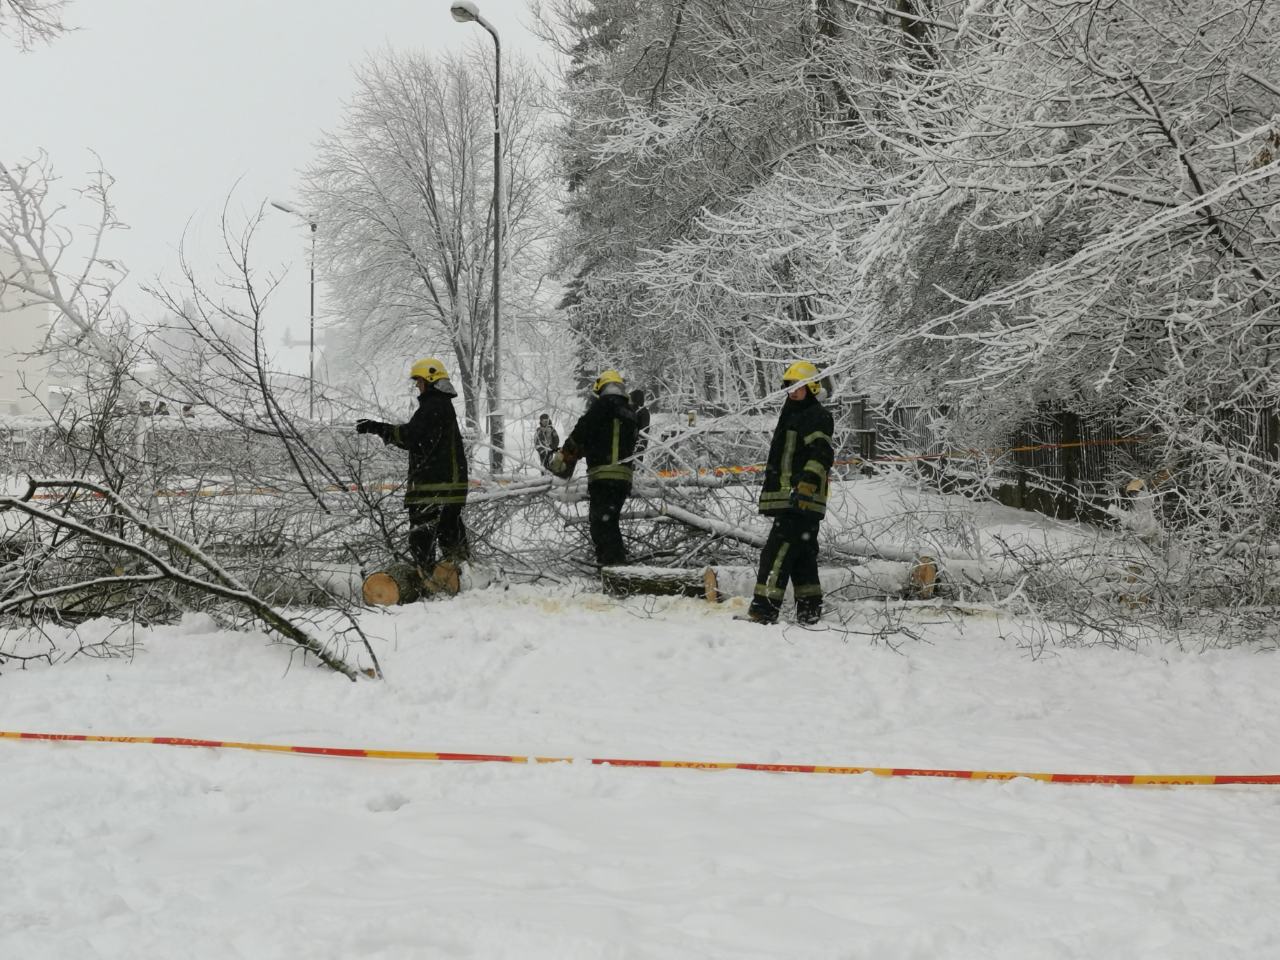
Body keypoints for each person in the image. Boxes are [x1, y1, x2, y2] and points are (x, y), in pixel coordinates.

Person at [355, 357, 470, 592]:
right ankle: (462, 580)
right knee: (451, 535)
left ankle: (429, 584)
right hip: (450, 488)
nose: (417, 386)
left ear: (429, 380)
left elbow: (409, 436)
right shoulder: (442, 406)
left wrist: (376, 427)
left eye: (419, 381)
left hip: (433, 489)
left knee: (421, 538)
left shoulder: (433, 407)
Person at [743, 361, 835, 626]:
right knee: (802, 557)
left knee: (776, 554)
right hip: (790, 498)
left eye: (798, 387)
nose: (792, 392)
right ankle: (809, 611)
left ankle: (763, 610)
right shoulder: (791, 413)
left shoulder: (816, 415)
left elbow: (822, 453)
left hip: (799, 498)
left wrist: (805, 485)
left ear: (812, 387)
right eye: (788, 387)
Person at [549, 369, 638, 566]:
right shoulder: (631, 414)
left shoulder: (601, 407)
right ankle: (615, 569)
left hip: (603, 476)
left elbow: (582, 433)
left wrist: (563, 458)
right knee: (610, 523)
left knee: (602, 526)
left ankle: (614, 571)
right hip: (623, 478)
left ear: (602, 389)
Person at [629, 388, 651, 461]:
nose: (629, 400)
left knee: (636, 464)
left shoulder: (641, 412)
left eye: (630, 398)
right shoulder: (634, 410)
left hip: (637, 443)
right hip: (634, 443)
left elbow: (643, 430)